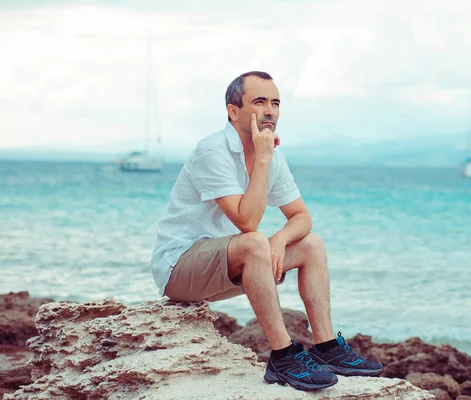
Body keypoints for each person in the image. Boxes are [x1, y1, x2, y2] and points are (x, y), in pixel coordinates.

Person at [151, 71, 383, 391]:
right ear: (234, 111)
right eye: (260, 102)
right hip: (179, 268)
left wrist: (280, 239)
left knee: (310, 244)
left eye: (275, 103)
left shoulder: (273, 155)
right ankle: (282, 356)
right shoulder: (212, 151)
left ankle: (327, 347)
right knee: (253, 241)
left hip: (226, 268)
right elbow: (247, 223)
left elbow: (301, 216)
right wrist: (262, 158)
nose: (270, 110)